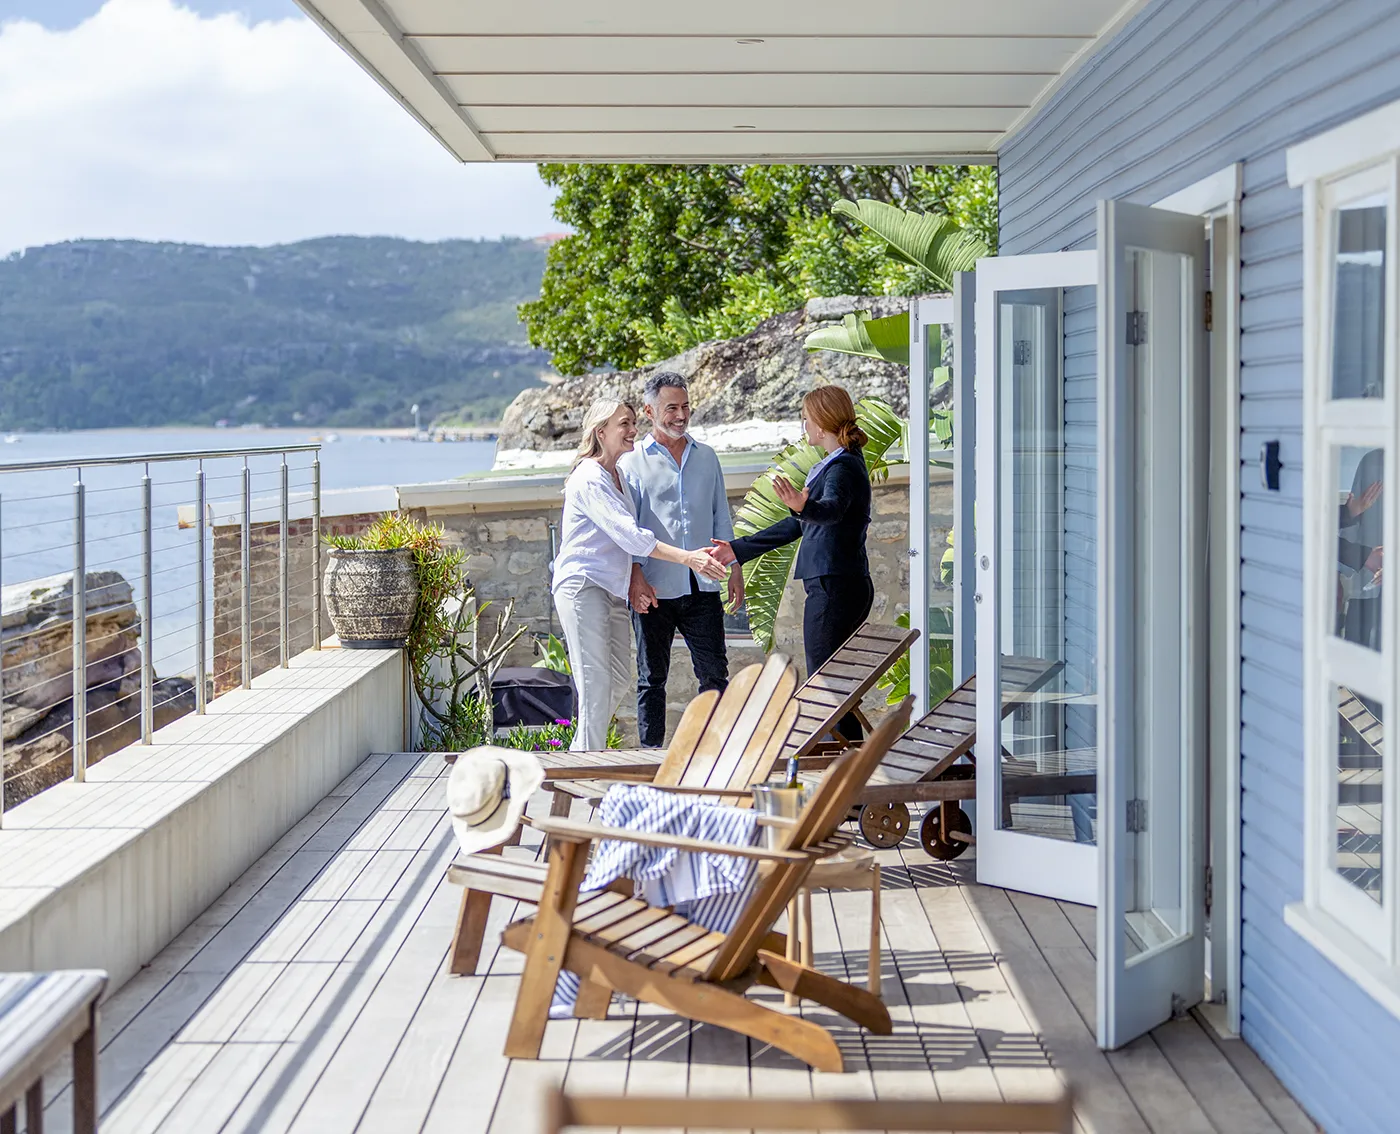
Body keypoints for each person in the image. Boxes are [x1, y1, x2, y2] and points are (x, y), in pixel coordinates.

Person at [552, 398, 727, 751]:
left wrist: (635, 577)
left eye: (634, 423)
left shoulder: (616, 475)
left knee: (616, 680)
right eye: (624, 424)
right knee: (595, 682)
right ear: (600, 431)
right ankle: (585, 770)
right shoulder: (588, 478)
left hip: (610, 589)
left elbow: (631, 540)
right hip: (583, 587)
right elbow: (632, 536)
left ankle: (578, 757)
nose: (633, 431)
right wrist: (689, 558)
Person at [710, 384, 873, 740]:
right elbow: (797, 524)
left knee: (828, 683)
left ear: (821, 422)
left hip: (836, 585)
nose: (804, 424)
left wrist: (805, 507)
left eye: (806, 417)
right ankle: (845, 774)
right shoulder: (834, 465)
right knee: (831, 680)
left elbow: (829, 512)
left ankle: (846, 777)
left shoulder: (843, 468)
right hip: (833, 584)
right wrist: (738, 550)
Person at [619, 372, 745, 748]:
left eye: (685, 406)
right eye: (671, 407)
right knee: (651, 679)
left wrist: (735, 568)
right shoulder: (631, 464)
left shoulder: (706, 457)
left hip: (704, 586)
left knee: (714, 676)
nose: (680, 415)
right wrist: (635, 577)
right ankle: (651, 759)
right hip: (654, 587)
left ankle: (716, 755)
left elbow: (721, 514)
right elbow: (629, 529)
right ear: (649, 410)